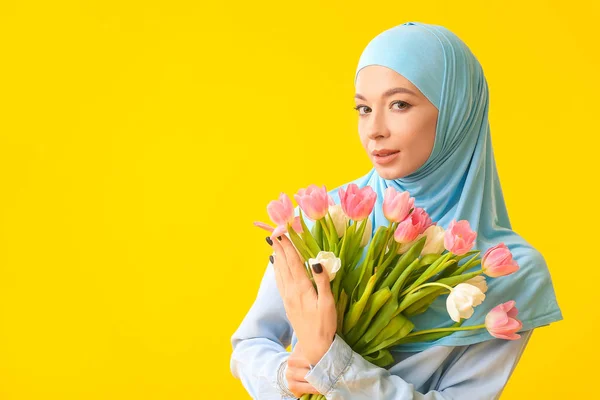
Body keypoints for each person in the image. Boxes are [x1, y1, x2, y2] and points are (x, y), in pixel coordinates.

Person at [230, 21, 563, 399]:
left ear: (457, 111)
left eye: (399, 104)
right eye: (363, 108)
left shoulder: (511, 269)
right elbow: (250, 343)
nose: (374, 129)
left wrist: (333, 363)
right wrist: (283, 376)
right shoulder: (324, 218)